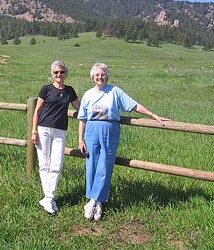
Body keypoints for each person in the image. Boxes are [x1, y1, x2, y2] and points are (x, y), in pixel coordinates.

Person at [77, 63, 167, 221]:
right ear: (92, 77)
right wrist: (80, 138)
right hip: (92, 131)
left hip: (110, 130)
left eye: (103, 74)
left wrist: (153, 115)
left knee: (105, 164)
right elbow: (83, 119)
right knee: (92, 163)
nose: (100, 77)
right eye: (97, 75)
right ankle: (94, 201)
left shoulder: (115, 91)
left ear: (107, 75)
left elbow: (133, 105)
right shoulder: (88, 94)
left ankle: (94, 201)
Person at [32, 60, 81, 215]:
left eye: (62, 72)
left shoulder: (70, 91)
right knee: (44, 164)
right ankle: (49, 197)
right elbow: (37, 110)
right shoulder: (46, 89)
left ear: (66, 73)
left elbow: (79, 108)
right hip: (43, 129)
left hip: (60, 131)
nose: (59, 74)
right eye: (56, 72)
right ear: (52, 74)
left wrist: (94, 114)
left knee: (57, 164)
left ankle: (48, 198)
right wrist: (34, 131)